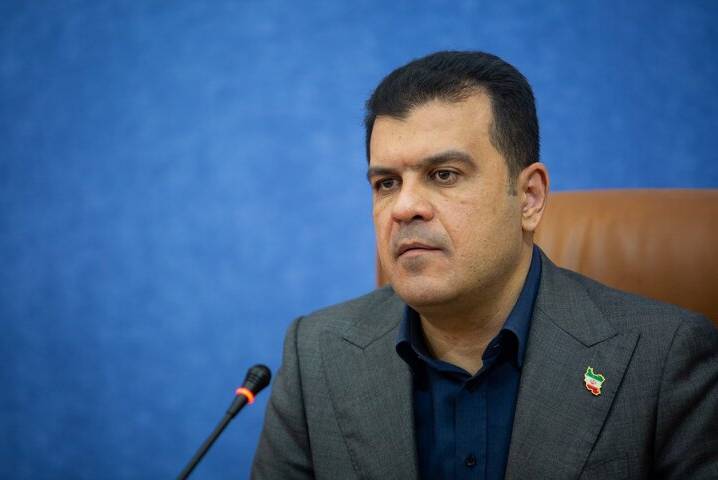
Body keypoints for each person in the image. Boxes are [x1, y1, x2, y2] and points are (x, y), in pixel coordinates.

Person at [251, 51, 718, 479]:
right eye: (386, 183)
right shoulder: (316, 356)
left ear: (529, 198)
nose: (404, 207)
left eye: (444, 175)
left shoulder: (663, 360)